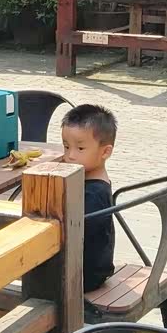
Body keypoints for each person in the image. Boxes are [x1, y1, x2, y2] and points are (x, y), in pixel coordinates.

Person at [61, 104, 116, 293]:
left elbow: (68, 234)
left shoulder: (94, 195)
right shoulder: (94, 183)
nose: (70, 156)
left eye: (80, 148)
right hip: (90, 271)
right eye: (66, 146)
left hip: (84, 277)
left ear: (105, 152)